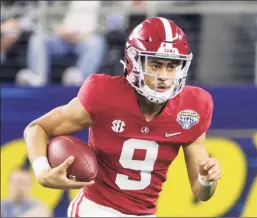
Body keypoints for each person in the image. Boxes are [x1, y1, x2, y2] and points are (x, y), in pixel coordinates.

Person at [23, 17, 222, 217]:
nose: (164, 76)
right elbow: (36, 128)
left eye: (171, 66)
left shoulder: (193, 107)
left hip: (145, 213)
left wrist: (207, 179)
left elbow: (201, 192)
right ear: (134, 62)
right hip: (96, 209)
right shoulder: (103, 94)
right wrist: (42, 171)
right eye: (155, 65)